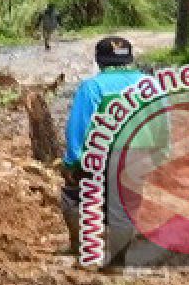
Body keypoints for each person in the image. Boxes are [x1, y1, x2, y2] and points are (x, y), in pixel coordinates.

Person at [57, 36, 147, 268]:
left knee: (73, 194)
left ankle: (81, 249)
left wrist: (71, 164)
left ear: (99, 61)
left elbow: (78, 130)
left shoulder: (92, 87)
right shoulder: (150, 85)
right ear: (130, 59)